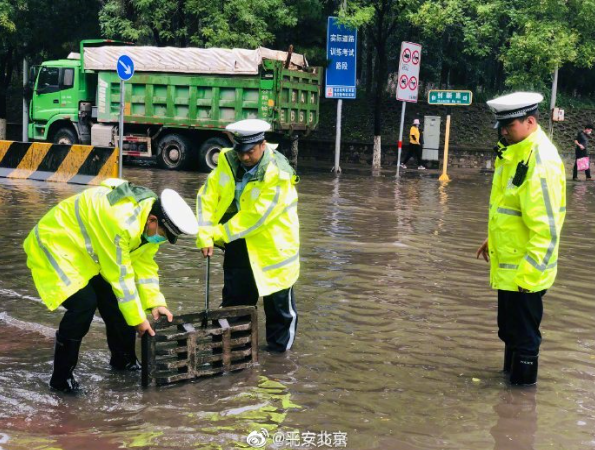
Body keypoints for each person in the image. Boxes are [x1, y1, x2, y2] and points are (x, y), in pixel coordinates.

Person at [23, 179, 199, 392]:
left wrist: (155, 302)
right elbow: (122, 278)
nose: (160, 240)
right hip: (56, 244)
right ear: (153, 220)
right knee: (84, 304)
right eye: (162, 235)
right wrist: (138, 320)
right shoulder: (121, 222)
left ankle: (124, 361)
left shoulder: (147, 220)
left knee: (116, 302)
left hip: (89, 253)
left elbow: (144, 266)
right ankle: (61, 380)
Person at [476, 92, 566, 386]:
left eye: (509, 126)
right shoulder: (514, 151)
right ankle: (508, 388)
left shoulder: (541, 162)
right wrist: (492, 239)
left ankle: (521, 400)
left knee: (526, 338)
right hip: (510, 262)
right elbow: (510, 208)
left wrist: (530, 274)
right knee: (510, 330)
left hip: (526, 270)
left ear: (530, 121)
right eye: (501, 126)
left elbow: (547, 229)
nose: (504, 132)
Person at [195, 119, 300, 353]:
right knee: (235, 305)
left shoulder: (278, 174)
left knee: (279, 312)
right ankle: (231, 356)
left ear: (263, 144)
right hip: (238, 244)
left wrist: (218, 232)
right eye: (240, 151)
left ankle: (279, 364)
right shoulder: (227, 161)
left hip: (274, 249)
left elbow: (257, 217)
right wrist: (204, 233)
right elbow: (207, 196)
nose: (244, 158)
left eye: (249, 152)